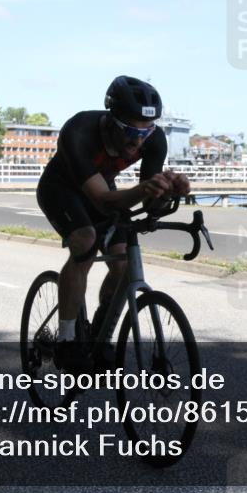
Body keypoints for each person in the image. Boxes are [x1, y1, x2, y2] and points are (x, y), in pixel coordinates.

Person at [36, 76, 190, 373]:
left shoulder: (153, 140)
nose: (137, 141)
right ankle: (67, 340)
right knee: (85, 241)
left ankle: (99, 334)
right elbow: (103, 200)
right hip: (61, 189)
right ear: (111, 120)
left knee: (123, 266)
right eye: (130, 130)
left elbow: (148, 204)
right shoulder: (79, 130)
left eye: (146, 132)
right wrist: (144, 190)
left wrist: (167, 191)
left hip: (103, 190)